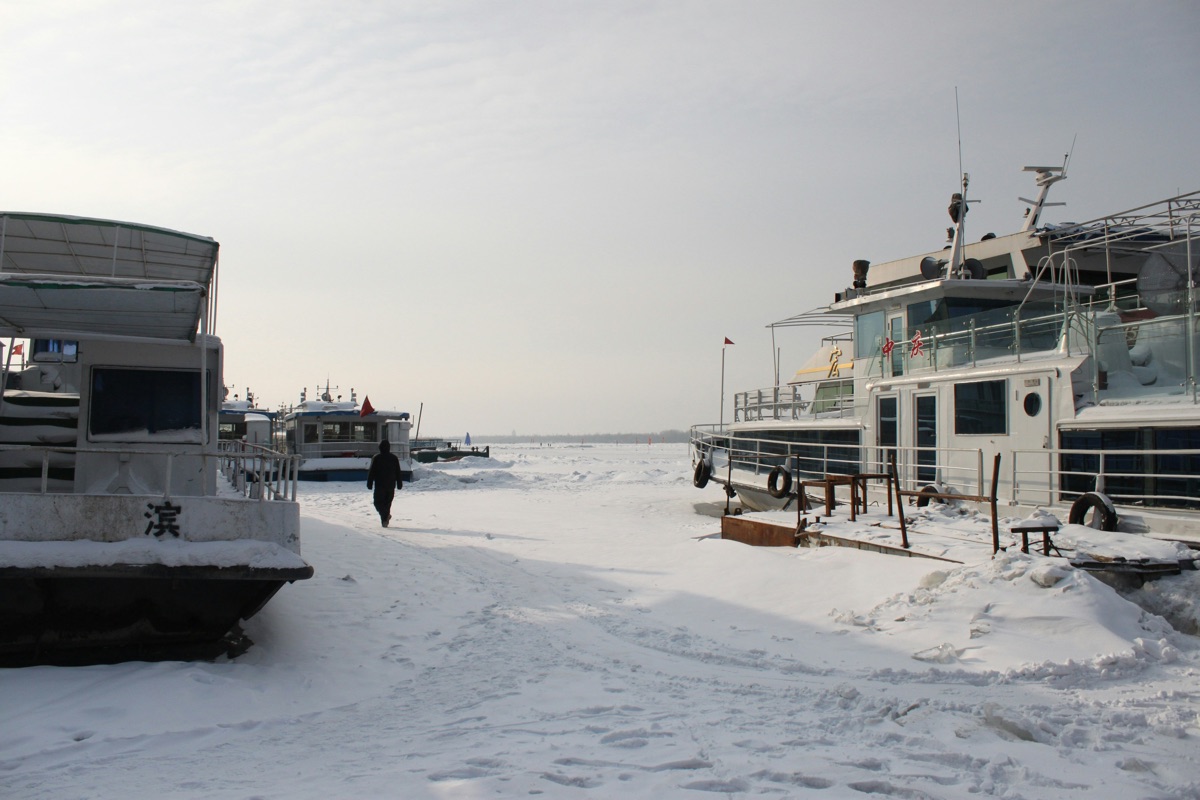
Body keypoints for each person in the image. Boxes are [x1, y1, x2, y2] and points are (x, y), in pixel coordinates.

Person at [366, 440, 403, 527]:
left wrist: (369, 483)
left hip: (380, 485)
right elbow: (398, 472)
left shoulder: (377, 458)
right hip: (391, 486)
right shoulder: (394, 458)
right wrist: (399, 483)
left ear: (380, 448)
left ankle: (385, 517)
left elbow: (372, 472)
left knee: (378, 503)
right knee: (387, 504)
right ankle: (384, 521)